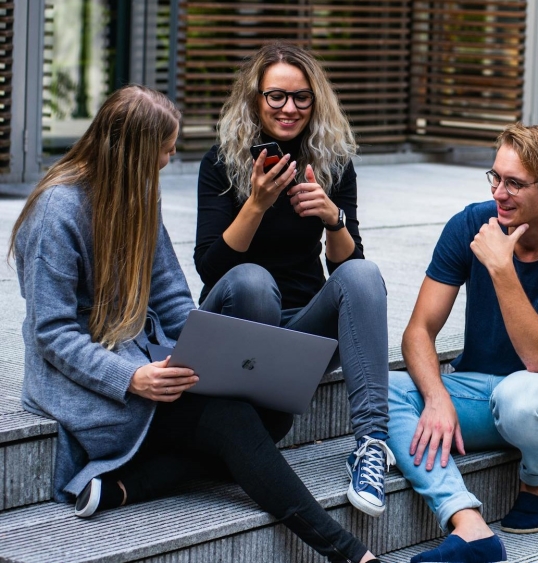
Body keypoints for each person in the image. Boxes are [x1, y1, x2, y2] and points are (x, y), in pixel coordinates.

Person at [9, 85, 380, 563]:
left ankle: (129, 485)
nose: (167, 161)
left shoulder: (138, 195)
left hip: (149, 362)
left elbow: (171, 297)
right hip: (91, 384)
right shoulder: (56, 212)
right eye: (164, 150)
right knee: (233, 421)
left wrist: (205, 353)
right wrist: (132, 378)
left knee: (273, 416)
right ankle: (348, 552)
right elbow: (52, 333)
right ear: (133, 150)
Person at [386, 124, 538, 563]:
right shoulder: (470, 223)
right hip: (476, 388)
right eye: (495, 177)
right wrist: (435, 397)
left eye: (514, 183)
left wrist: (502, 268)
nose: (500, 193)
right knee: (382, 388)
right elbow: (418, 330)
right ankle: (467, 525)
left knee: (521, 396)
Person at [194, 43, 393, 518]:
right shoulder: (221, 162)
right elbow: (211, 268)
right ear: (255, 99)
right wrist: (257, 203)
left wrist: (333, 218)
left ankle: (370, 445)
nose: (289, 108)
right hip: (238, 323)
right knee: (253, 281)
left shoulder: (333, 162)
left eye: (302, 98)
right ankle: (247, 425)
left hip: (301, 333)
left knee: (363, 274)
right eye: (276, 96)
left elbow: (349, 270)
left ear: (316, 101)